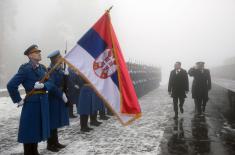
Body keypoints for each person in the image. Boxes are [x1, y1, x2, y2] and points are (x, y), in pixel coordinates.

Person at [7, 45, 52, 155]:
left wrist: (44, 86)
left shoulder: (42, 68)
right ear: (30, 55)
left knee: (36, 130)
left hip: (42, 103)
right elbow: (11, 85)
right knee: (29, 131)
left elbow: (50, 83)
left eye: (39, 52)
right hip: (32, 104)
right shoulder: (25, 69)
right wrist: (18, 100)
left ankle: (35, 151)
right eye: (37, 52)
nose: (39, 54)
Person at [46, 50, 69, 152]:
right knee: (52, 122)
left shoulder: (59, 69)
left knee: (56, 122)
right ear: (54, 59)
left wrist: (66, 75)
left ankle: (55, 142)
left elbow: (63, 84)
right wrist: (61, 95)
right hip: (53, 98)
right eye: (59, 57)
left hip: (58, 97)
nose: (61, 58)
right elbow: (52, 86)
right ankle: (50, 144)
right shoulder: (50, 70)